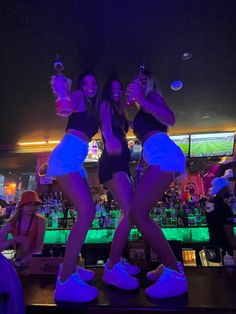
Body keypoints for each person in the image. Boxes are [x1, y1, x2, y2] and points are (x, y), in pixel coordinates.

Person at [126, 70, 188, 299]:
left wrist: (141, 98)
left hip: (164, 155)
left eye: (144, 80)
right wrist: (140, 168)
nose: (140, 82)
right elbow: (147, 140)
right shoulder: (143, 107)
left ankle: (175, 275)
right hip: (156, 157)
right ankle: (169, 264)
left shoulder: (152, 98)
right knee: (140, 214)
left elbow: (170, 119)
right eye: (137, 79)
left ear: (151, 83)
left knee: (138, 214)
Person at [47, 72, 99, 302]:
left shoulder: (92, 105)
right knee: (87, 212)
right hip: (67, 155)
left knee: (87, 212)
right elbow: (65, 110)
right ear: (80, 86)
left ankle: (70, 268)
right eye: (86, 82)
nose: (90, 86)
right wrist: (61, 91)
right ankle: (66, 281)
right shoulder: (78, 95)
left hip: (74, 159)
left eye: (93, 83)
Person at [98, 79, 140, 290]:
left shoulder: (120, 110)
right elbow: (106, 125)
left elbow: (126, 128)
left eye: (118, 88)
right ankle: (112, 267)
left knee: (128, 213)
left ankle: (116, 261)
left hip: (122, 163)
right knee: (131, 212)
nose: (116, 91)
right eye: (112, 88)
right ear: (108, 91)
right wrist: (111, 140)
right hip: (112, 162)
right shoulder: (105, 105)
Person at [0, 190, 45, 267]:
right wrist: (15, 239)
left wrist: (22, 261)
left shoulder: (40, 221)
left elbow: (38, 247)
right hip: (17, 260)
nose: (32, 208)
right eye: (28, 205)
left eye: (34, 205)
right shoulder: (12, 222)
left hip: (34, 261)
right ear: (22, 206)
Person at [205, 177, 236, 264]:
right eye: (227, 187)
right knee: (228, 276)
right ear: (222, 189)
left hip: (212, 248)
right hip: (225, 252)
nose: (230, 189)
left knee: (215, 275)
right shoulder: (224, 207)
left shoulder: (209, 204)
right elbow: (230, 236)